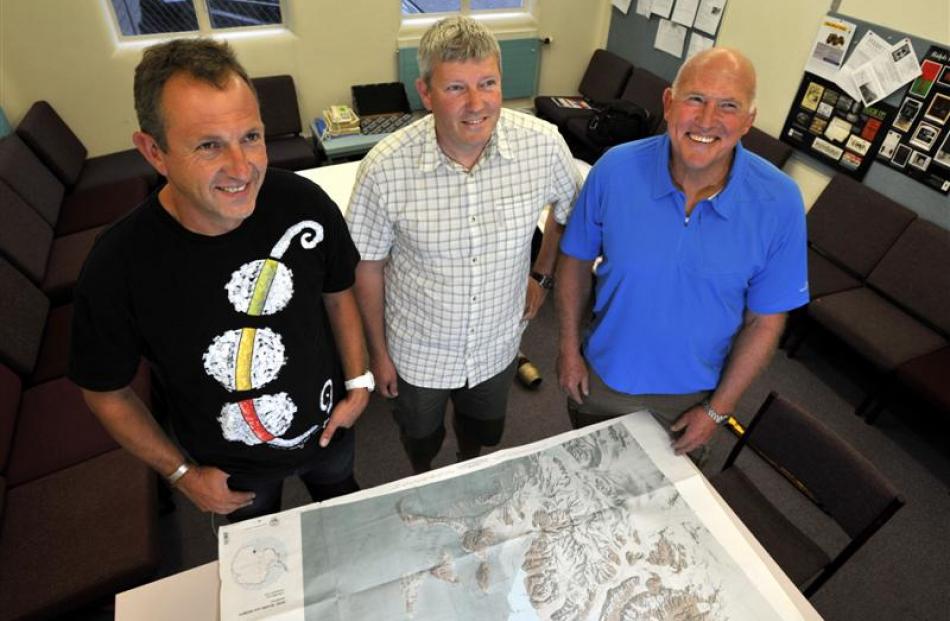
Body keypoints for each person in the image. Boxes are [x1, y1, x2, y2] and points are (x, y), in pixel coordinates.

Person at [68, 39, 372, 522]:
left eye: (250, 137)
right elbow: (106, 391)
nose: (241, 168)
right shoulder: (118, 265)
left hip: (329, 429)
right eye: (209, 145)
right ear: (154, 151)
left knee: (347, 517)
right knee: (260, 571)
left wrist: (358, 383)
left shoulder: (305, 204)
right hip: (230, 470)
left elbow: (338, 293)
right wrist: (182, 474)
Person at [346, 16, 581, 473]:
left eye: (487, 83)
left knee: (484, 431)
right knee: (420, 437)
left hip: (498, 342)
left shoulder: (542, 145)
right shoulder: (385, 168)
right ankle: (427, 474)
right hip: (418, 351)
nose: (477, 104)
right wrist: (378, 354)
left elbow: (567, 213)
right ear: (426, 92)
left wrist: (541, 273)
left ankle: (466, 464)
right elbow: (367, 268)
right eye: (456, 88)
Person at [556, 48, 808, 463]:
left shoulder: (779, 202)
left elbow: (765, 321)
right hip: (600, 382)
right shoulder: (614, 170)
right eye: (695, 99)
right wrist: (567, 349)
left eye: (728, 106)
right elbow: (576, 261)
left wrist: (718, 410)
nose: (707, 120)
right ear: (669, 103)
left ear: (748, 121)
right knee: (589, 485)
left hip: (691, 400)